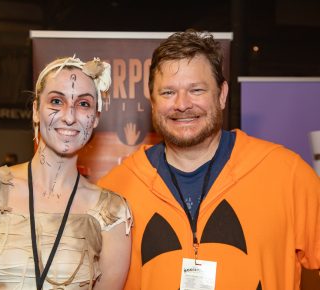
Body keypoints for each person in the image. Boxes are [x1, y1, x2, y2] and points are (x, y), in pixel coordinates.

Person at [98, 29, 320, 290]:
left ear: (222, 94)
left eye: (197, 90)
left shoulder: (287, 174)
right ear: (152, 100)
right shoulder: (114, 192)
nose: (182, 104)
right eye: (168, 92)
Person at [0, 56, 132, 290]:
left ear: (95, 119)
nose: (69, 117)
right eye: (56, 101)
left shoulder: (112, 215)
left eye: (83, 104)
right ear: (36, 111)